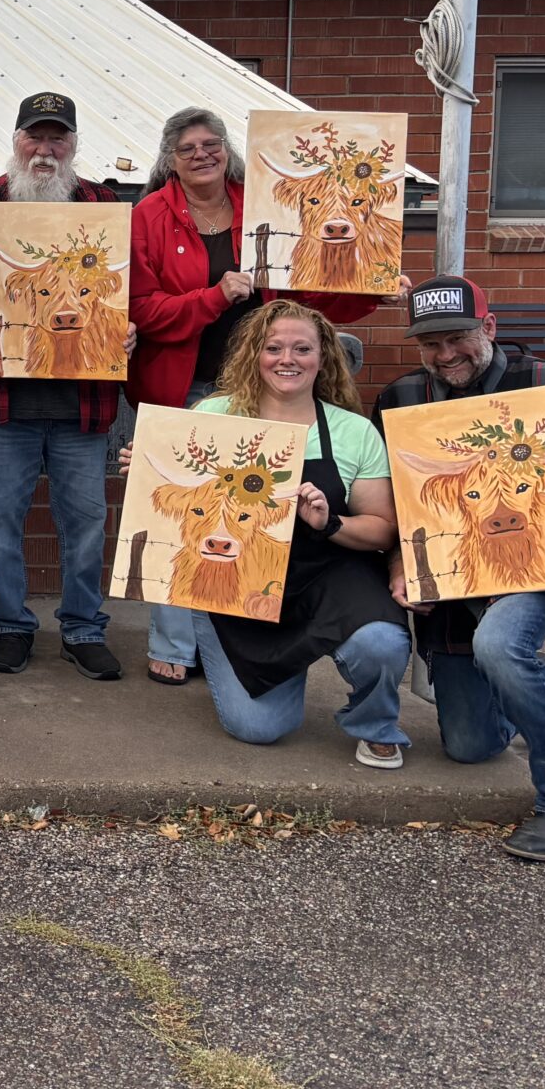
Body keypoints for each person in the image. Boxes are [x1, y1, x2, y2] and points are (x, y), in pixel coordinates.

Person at [129, 106, 379, 684]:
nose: (202, 154)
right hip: (187, 384)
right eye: (188, 147)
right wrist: (213, 298)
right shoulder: (149, 215)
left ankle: (242, 632)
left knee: (253, 507)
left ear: (227, 150)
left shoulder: (262, 204)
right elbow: (139, 309)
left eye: (211, 143)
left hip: (266, 383)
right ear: (170, 159)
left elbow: (309, 290)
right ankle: (174, 643)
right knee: (182, 514)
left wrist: (372, 290)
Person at [377, 277, 545, 862]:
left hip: (534, 565)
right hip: (453, 579)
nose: (445, 354)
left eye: (458, 337)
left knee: (498, 643)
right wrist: (402, 566)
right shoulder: (401, 397)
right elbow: (397, 504)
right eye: (430, 343)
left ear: (489, 327)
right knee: (470, 745)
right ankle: (527, 674)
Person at [128, 305, 412, 762]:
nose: (288, 359)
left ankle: (374, 722)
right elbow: (175, 505)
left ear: (323, 357)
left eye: (303, 349)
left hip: (331, 572)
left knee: (381, 642)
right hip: (240, 584)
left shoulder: (353, 431)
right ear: (253, 354)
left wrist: (330, 523)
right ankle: (270, 666)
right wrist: (148, 470)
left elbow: (382, 530)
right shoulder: (215, 414)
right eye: (274, 347)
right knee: (258, 728)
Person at [0, 93, 131, 680]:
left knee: (86, 524)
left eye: (57, 138)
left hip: (83, 402)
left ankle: (83, 629)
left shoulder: (105, 205)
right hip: (3, 403)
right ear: (15, 141)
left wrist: (128, 326)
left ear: (74, 146)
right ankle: (11, 625)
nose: (45, 149)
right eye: (35, 136)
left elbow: (128, 289)